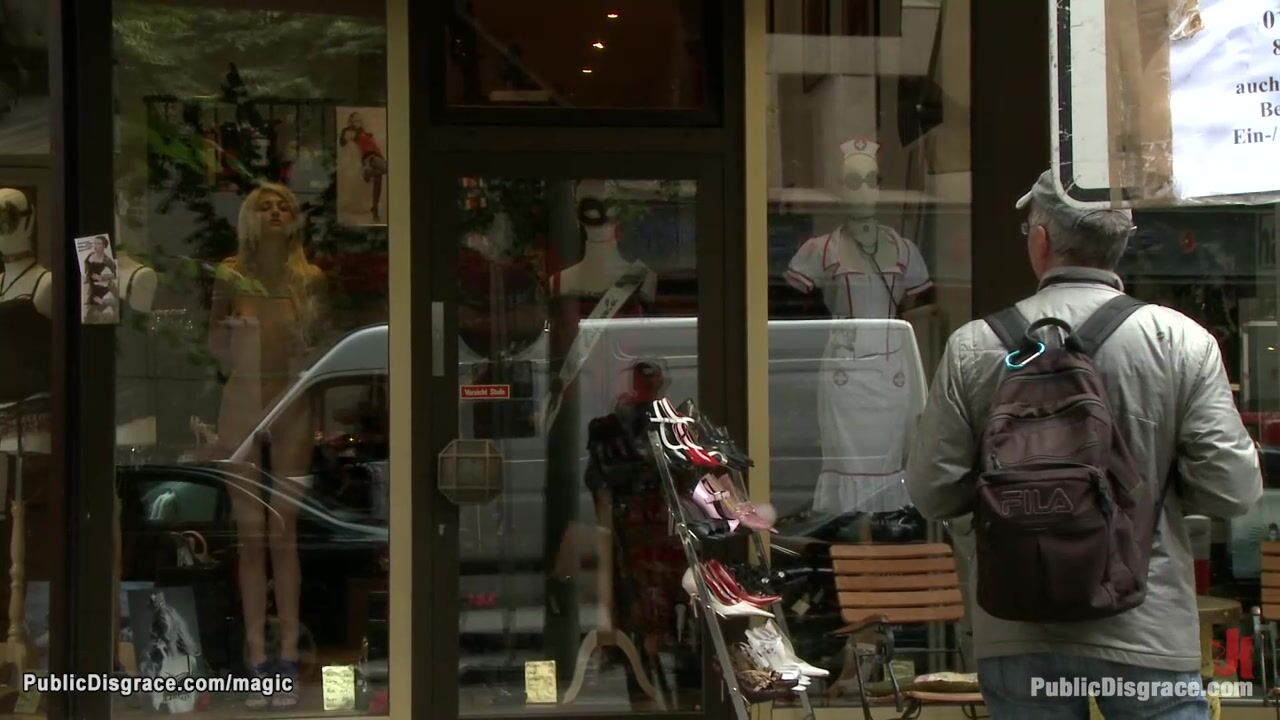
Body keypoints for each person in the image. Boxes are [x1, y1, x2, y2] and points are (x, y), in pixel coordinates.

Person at [906, 170, 1261, 719]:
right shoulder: (1182, 342)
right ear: (1123, 241)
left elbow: (933, 493)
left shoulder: (973, 347)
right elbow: (1232, 491)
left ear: (1041, 240)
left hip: (1017, 631)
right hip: (1147, 628)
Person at [208, 182, 326, 709]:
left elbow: (322, 347)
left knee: (283, 529)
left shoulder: (310, 278)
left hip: (292, 400)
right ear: (249, 217)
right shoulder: (230, 274)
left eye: (284, 206)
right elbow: (211, 345)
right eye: (265, 206)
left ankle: (289, 652)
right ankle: (258, 657)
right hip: (242, 397)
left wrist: (306, 339)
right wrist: (234, 334)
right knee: (250, 533)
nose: (276, 211)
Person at [338, 112, 386, 223]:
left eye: (359, 120)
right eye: (354, 121)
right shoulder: (351, 131)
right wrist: (347, 132)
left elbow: (373, 144)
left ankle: (374, 208)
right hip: (370, 157)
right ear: (351, 122)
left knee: (378, 178)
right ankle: (367, 173)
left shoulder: (365, 132)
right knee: (389, 168)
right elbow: (342, 142)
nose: (357, 123)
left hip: (378, 156)